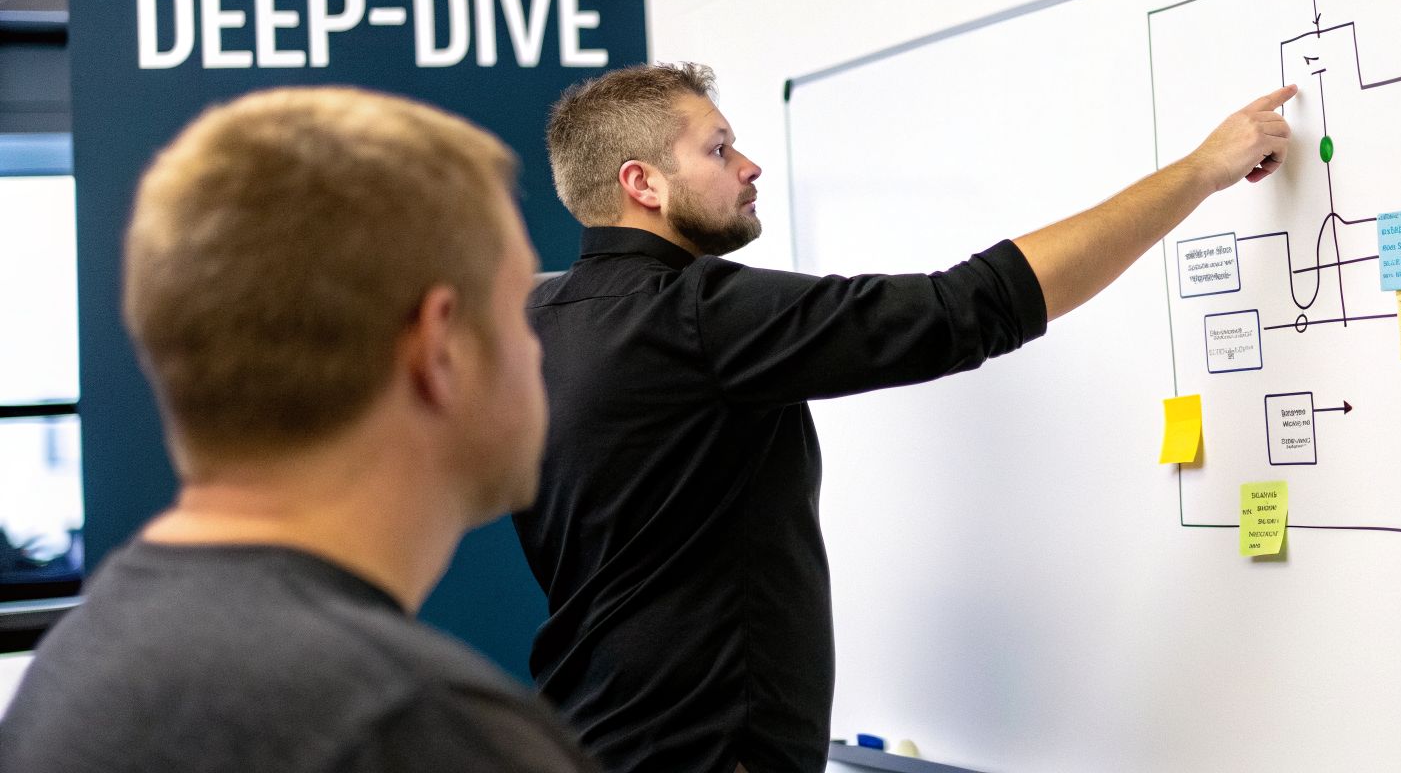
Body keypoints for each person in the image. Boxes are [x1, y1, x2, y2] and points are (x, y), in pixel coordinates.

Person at [517, 63, 1295, 772]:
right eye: (718, 150)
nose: (749, 166)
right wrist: (1199, 172)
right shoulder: (696, 316)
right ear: (643, 184)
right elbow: (969, 307)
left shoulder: (533, 325)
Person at [0, 88, 596, 773]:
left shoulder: (82, 656)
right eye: (520, 311)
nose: (535, 346)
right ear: (439, 349)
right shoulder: (418, 729)